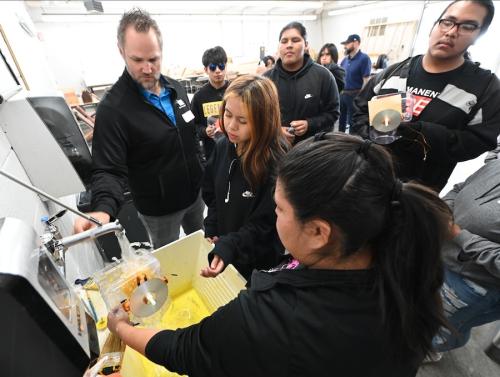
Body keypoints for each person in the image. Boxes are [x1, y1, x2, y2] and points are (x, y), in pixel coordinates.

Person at [107, 133, 452, 377]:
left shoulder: (271, 318)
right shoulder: (407, 265)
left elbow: (182, 350)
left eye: (279, 208)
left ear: (318, 232)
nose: (274, 216)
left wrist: (121, 328)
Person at [73, 9, 204, 248]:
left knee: (201, 247)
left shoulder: (177, 89)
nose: (147, 68)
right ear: (121, 51)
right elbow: (108, 170)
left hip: (195, 196)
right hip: (160, 210)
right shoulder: (114, 109)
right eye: (137, 60)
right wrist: (103, 209)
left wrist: (200, 168)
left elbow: (190, 135)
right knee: (171, 266)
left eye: (153, 59)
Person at [351, 0, 500, 192]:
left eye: (468, 26)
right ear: (434, 26)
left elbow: (478, 141)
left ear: (479, 35)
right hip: (367, 182)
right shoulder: (392, 73)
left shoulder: (485, 87)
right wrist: (375, 132)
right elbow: (359, 113)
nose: (452, 32)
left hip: (418, 196)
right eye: (448, 22)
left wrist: (418, 133)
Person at [200, 74, 287, 281]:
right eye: (227, 115)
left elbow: (266, 224)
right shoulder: (223, 146)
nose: (230, 126)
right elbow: (212, 194)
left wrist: (231, 244)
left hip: (259, 261)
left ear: (264, 121)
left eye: (242, 121)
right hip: (228, 249)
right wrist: (212, 226)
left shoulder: (276, 161)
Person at [430, 140, 500, 358]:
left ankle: (433, 350)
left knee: (445, 326)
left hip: (474, 282)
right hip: (440, 253)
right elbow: (462, 186)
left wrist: (460, 236)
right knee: (423, 306)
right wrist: (445, 208)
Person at [264, 22, 339, 145]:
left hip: (312, 150)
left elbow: (333, 113)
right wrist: (276, 130)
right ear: (279, 46)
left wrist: (310, 124)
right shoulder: (266, 81)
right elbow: (258, 116)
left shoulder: (323, 76)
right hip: (276, 150)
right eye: (284, 41)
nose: (289, 45)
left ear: (306, 45)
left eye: (295, 40)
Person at [191, 46, 229, 162]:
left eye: (221, 66)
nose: (218, 70)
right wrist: (204, 131)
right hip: (212, 153)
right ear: (206, 70)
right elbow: (193, 125)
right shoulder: (199, 97)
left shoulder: (235, 91)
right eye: (212, 67)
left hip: (235, 149)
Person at [339, 34, 372, 133]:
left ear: (356, 43)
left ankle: (351, 142)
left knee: (353, 121)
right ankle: (339, 139)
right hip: (343, 94)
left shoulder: (364, 59)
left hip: (355, 95)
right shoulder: (345, 60)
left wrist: (361, 98)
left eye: (348, 43)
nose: (345, 46)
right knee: (341, 119)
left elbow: (366, 80)